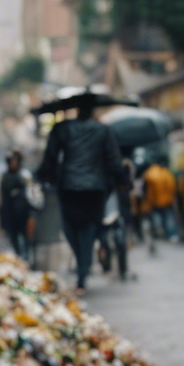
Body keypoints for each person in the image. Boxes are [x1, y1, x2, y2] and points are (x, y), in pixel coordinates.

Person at [36, 93, 124, 294]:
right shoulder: (103, 131)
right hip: (95, 189)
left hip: (69, 187)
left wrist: (44, 176)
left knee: (71, 230)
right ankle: (83, 272)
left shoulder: (63, 128)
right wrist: (122, 180)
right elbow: (113, 160)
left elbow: (50, 157)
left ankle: (82, 272)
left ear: (76, 109)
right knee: (88, 231)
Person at [0, 149, 32, 260]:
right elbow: (3, 197)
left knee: (25, 242)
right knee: (14, 241)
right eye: (11, 160)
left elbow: (31, 195)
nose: (13, 163)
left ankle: (25, 260)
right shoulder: (5, 176)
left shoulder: (24, 175)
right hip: (10, 213)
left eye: (15, 160)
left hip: (23, 214)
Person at [142, 157, 178, 242]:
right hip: (166, 200)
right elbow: (172, 186)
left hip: (154, 201)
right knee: (168, 217)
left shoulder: (148, 173)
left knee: (156, 217)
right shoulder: (166, 172)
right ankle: (170, 234)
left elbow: (146, 188)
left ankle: (157, 232)